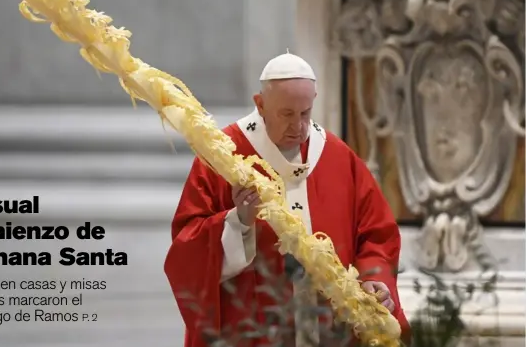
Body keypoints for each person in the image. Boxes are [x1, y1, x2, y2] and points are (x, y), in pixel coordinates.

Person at [164, 52, 411, 347]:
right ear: (260, 104)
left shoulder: (336, 155)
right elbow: (187, 249)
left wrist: (375, 280)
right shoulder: (223, 154)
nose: (298, 127)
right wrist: (238, 221)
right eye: (287, 114)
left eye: (305, 113)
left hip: (327, 332)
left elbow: (376, 235)